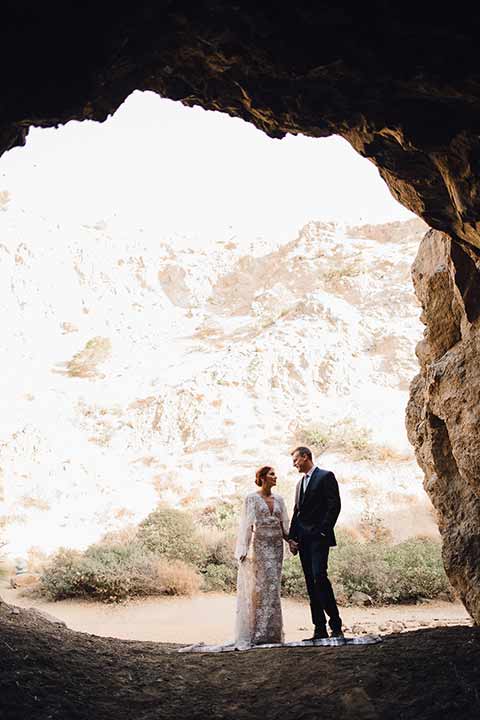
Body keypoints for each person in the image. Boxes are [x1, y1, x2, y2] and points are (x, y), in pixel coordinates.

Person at [288, 446, 343, 639]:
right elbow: (297, 513)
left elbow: (334, 505)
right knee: (310, 583)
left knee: (320, 577)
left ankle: (335, 625)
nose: (294, 464)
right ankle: (319, 628)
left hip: (319, 538)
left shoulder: (326, 476)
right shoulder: (298, 484)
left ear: (305, 457)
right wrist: (292, 538)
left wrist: (322, 531)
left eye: (296, 460)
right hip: (302, 540)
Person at [234, 465, 290, 647]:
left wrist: (291, 541)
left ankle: (272, 633)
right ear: (263, 477)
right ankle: (258, 632)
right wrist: (243, 549)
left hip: (276, 547)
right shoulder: (251, 498)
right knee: (261, 588)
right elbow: (247, 525)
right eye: (272, 474)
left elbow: (284, 526)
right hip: (260, 546)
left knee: (274, 588)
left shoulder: (280, 499)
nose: (276, 477)